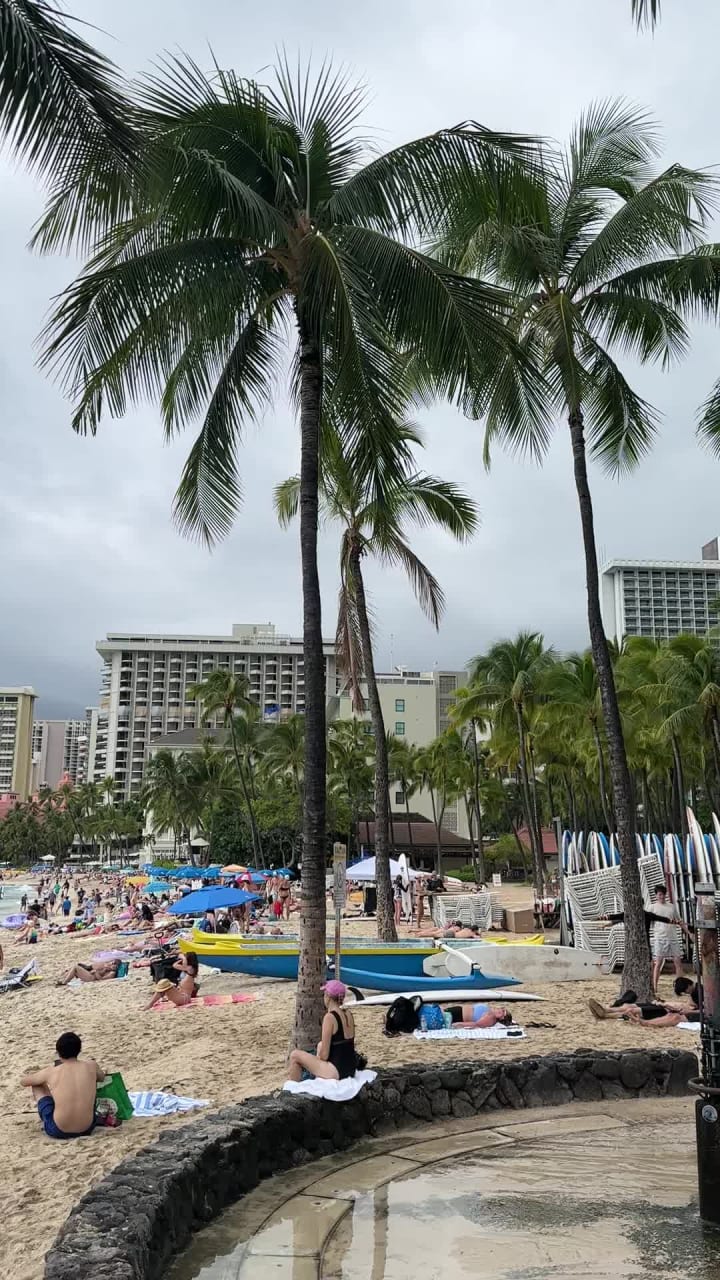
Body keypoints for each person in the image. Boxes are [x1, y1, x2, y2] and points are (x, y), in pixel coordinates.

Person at [21, 1031, 103, 1139]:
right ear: (79, 1050)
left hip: (58, 1130)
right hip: (87, 1128)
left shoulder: (52, 1071)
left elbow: (24, 1082)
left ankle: (52, 1116)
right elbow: (102, 1077)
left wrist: (45, 1077)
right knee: (91, 1081)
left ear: (58, 1053)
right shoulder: (91, 1065)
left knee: (37, 1085)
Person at [287, 980, 360, 1082]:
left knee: (295, 1055)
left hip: (336, 1071)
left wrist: (316, 1059)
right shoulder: (348, 1014)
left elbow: (324, 1056)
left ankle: (292, 1089)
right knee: (320, 1045)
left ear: (328, 997)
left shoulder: (329, 1017)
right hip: (350, 1068)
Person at [650, 885, 691, 993]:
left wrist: (689, 933)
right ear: (656, 895)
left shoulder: (671, 907)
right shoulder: (652, 907)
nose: (661, 896)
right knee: (658, 963)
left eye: (663, 894)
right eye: (659, 894)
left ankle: (680, 988)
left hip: (673, 938)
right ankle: (654, 987)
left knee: (678, 962)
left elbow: (680, 921)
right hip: (660, 938)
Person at [56, 959, 121, 986]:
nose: (111, 964)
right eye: (112, 963)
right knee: (76, 968)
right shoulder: (108, 969)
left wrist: (96, 973)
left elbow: (101, 979)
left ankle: (65, 982)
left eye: (113, 964)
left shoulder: (112, 973)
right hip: (91, 975)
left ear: (116, 967)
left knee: (76, 967)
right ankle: (64, 979)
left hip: (92, 978)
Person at [445, 1002, 513, 1028]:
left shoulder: (491, 1019)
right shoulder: (491, 1012)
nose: (501, 1010)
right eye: (503, 1009)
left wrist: (459, 1024)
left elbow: (476, 1024)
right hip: (457, 1012)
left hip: (457, 1016)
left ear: (502, 1018)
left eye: (503, 1012)